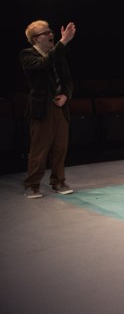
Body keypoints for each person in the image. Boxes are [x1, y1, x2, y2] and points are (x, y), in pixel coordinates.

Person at [19, 20, 77, 198]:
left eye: (50, 31)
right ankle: (32, 184)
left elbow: (67, 80)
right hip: (42, 108)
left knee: (60, 147)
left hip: (59, 106)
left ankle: (58, 181)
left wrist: (66, 95)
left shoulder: (58, 55)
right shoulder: (27, 54)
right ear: (35, 39)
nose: (51, 34)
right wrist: (63, 42)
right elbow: (43, 63)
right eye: (46, 33)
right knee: (40, 149)